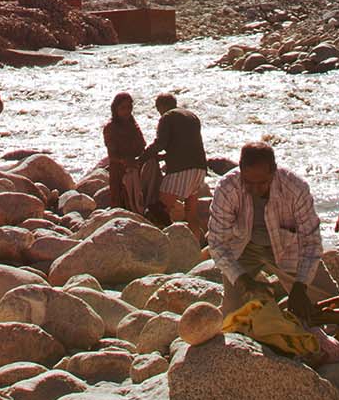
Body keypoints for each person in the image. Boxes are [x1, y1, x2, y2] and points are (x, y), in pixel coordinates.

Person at [208, 141, 324, 322]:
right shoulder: (226, 189)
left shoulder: (296, 189)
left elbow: (311, 241)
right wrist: (243, 280)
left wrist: (300, 286)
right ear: (240, 169)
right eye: (248, 183)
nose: (254, 190)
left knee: (329, 305)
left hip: (289, 249)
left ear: (274, 170)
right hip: (243, 249)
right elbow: (217, 243)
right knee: (232, 319)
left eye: (262, 183)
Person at [145, 93, 208, 224]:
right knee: (191, 214)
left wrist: (143, 157)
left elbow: (160, 143)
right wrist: (164, 157)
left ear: (161, 106)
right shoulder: (191, 115)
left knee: (159, 210)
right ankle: (195, 242)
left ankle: (166, 239)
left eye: (158, 110)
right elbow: (185, 145)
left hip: (181, 169)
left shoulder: (167, 117)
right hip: (200, 168)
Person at [102, 93, 151, 211]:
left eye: (129, 107)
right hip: (119, 170)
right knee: (120, 204)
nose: (127, 111)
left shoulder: (133, 125)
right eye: (123, 108)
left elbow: (142, 145)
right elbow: (112, 155)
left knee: (137, 203)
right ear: (116, 109)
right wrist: (125, 161)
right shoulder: (110, 127)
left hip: (134, 169)